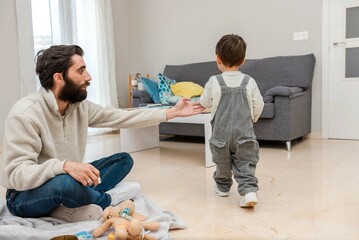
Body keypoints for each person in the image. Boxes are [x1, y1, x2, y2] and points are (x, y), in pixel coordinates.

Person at [0, 45, 205, 222]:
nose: (88, 77)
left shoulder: (78, 106)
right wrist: (64, 166)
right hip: (24, 196)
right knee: (65, 183)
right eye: (80, 71)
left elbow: (121, 117)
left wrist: (171, 112)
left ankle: (69, 206)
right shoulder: (25, 114)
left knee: (123, 160)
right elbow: (16, 176)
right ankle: (107, 201)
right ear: (59, 78)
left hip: (67, 179)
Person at [199, 34, 264, 207]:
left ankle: (223, 188)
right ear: (243, 59)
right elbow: (259, 104)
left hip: (221, 135)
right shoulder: (249, 81)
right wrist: (253, 119)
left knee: (222, 163)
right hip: (245, 134)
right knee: (246, 162)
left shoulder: (214, 81)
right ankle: (249, 191)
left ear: (217, 59)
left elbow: (204, 102)